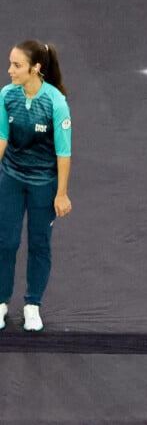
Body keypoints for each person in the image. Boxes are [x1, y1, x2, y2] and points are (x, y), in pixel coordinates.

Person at [0, 40, 72, 332]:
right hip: (12, 180)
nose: (10, 70)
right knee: (6, 242)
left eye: (16, 65)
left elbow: (63, 152)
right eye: (10, 64)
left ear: (36, 68)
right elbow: (2, 138)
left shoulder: (56, 102)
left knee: (39, 245)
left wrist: (62, 193)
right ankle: (1, 302)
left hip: (44, 184)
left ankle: (32, 305)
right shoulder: (7, 96)